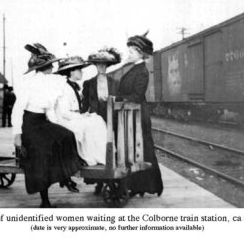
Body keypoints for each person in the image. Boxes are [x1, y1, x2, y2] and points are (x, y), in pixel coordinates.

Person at [12, 43, 80, 208]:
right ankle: (45, 200)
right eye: (51, 65)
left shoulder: (49, 82)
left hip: (43, 121)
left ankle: (66, 177)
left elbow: (49, 108)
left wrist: (56, 127)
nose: (53, 68)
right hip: (29, 124)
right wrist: (17, 134)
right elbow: (18, 109)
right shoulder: (29, 83)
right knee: (43, 153)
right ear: (46, 67)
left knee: (67, 135)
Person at [116, 31, 163, 197]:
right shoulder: (135, 69)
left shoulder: (141, 71)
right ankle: (137, 185)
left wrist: (117, 97)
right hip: (132, 115)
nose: (128, 54)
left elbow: (136, 96)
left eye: (131, 52)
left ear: (139, 53)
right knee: (135, 150)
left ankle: (148, 185)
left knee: (141, 150)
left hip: (138, 116)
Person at [54, 56, 108, 166]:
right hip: (64, 121)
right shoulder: (64, 88)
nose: (81, 72)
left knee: (97, 119)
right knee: (92, 123)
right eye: (79, 69)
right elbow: (64, 113)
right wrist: (81, 117)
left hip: (73, 118)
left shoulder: (72, 86)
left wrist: (83, 115)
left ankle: (101, 156)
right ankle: (93, 157)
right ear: (71, 71)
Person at [83, 48, 120, 194]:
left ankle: (112, 179)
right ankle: (98, 182)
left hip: (111, 117)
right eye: (99, 65)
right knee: (97, 148)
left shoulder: (114, 82)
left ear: (107, 66)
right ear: (95, 66)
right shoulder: (88, 83)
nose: (101, 67)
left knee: (111, 147)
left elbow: (118, 100)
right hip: (96, 118)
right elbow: (85, 103)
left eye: (104, 65)